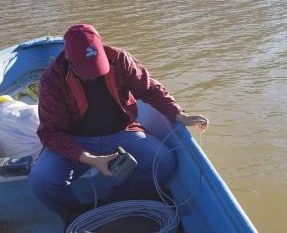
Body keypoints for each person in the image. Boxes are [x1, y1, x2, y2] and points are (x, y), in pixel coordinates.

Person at [29, 24, 209, 221]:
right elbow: (50, 133)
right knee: (41, 180)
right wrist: (89, 158)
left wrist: (178, 114)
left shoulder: (120, 59)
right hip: (76, 141)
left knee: (164, 161)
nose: (94, 74)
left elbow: (150, 89)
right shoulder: (52, 79)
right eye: (86, 70)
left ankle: (116, 199)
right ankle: (77, 214)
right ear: (68, 59)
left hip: (122, 132)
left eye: (97, 66)